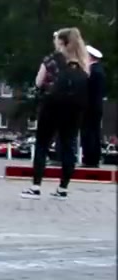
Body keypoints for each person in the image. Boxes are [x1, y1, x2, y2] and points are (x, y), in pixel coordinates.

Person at [22, 28, 91, 199]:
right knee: (69, 146)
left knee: (42, 144)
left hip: (52, 105)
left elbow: (38, 82)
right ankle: (63, 188)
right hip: (74, 109)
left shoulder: (52, 60)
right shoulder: (83, 63)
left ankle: (36, 186)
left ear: (61, 42)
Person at [81, 46, 106, 168]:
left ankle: (89, 159)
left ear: (90, 57)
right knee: (94, 133)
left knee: (88, 133)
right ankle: (93, 158)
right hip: (96, 106)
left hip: (90, 106)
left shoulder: (93, 71)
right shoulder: (99, 70)